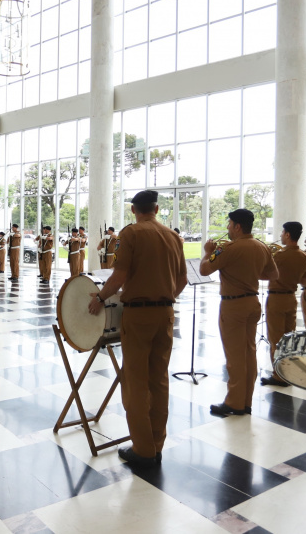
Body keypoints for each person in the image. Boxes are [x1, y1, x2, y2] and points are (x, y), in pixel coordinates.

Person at [87, 190, 187, 467]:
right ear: (156, 208)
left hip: (139, 314)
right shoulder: (173, 236)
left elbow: (119, 276)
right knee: (159, 379)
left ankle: (143, 449)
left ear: (134, 210)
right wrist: (164, 297)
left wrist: (100, 298)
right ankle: (157, 443)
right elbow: (182, 279)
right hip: (166, 313)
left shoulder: (130, 233)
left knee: (135, 381)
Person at [201, 209, 279, 416]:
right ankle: (246, 401)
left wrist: (208, 251)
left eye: (229, 224)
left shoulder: (228, 248)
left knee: (235, 356)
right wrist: (249, 273)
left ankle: (234, 403)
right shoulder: (262, 246)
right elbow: (273, 274)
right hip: (252, 302)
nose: (227, 228)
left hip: (233, 305)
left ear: (237, 227)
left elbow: (204, 270)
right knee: (249, 352)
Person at [261, 221, 306, 387]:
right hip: (291, 298)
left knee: (276, 339)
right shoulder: (304, 256)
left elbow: (264, 273)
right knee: (289, 338)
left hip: (276, 299)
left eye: (282, 232)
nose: (281, 235)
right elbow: (304, 280)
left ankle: (278, 376)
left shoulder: (279, 255)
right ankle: (288, 373)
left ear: (288, 234)